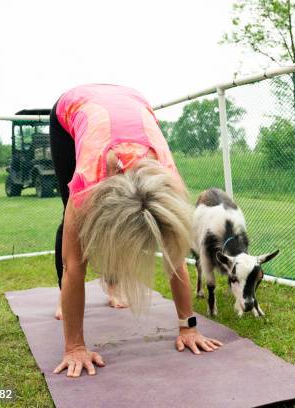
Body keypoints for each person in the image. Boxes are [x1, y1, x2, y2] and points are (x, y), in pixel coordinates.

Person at [49, 84, 222, 378]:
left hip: (133, 101)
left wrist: (187, 326)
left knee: (161, 230)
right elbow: (74, 265)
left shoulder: (169, 182)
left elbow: (175, 255)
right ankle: (64, 296)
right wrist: (74, 346)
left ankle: (112, 285)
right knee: (73, 231)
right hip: (73, 109)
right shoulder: (88, 181)